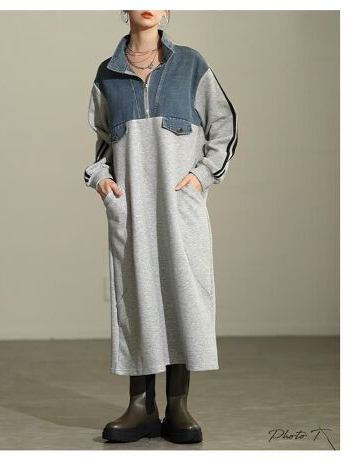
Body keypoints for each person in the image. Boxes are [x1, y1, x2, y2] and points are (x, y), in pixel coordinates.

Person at [84, 10, 238, 444]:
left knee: (182, 295)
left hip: (178, 206)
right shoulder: (107, 74)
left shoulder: (190, 64)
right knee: (137, 297)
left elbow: (224, 126)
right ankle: (141, 406)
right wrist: (102, 180)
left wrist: (201, 177)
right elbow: (103, 144)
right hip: (132, 208)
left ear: (167, 10)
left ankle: (178, 404)